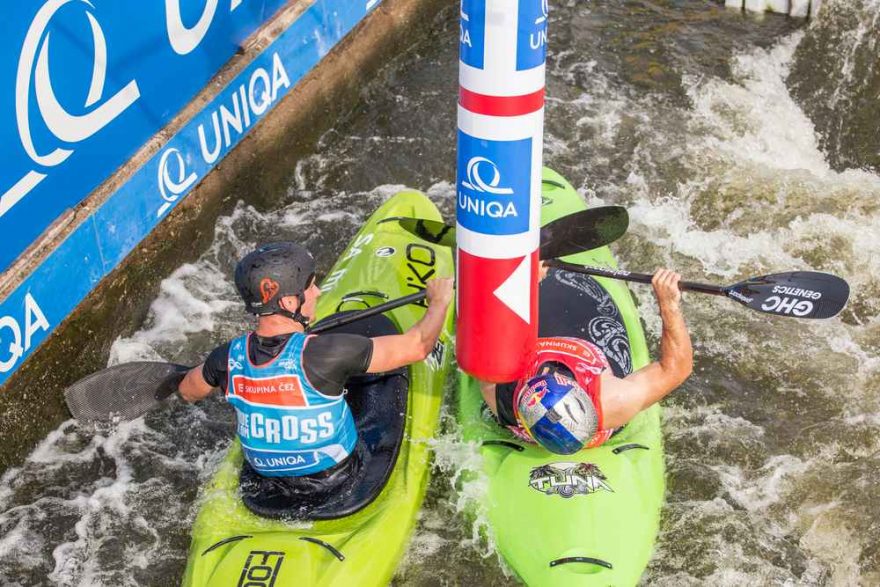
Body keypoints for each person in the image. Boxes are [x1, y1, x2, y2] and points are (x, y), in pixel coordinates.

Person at [178, 241, 453, 498]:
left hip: (268, 484)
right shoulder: (326, 352)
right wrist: (439, 300)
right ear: (288, 302)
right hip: (336, 480)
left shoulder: (225, 357)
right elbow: (417, 346)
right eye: (310, 287)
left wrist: (214, 373)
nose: (318, 292)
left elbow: (188, 391)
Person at [479, 267, 693, 455]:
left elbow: (484, 326)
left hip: (535, 342)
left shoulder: (500, 394)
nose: (549, 372)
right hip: (587, 340)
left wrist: (521, 288)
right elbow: (676, 369)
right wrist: (668, 305)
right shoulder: (614, 399)